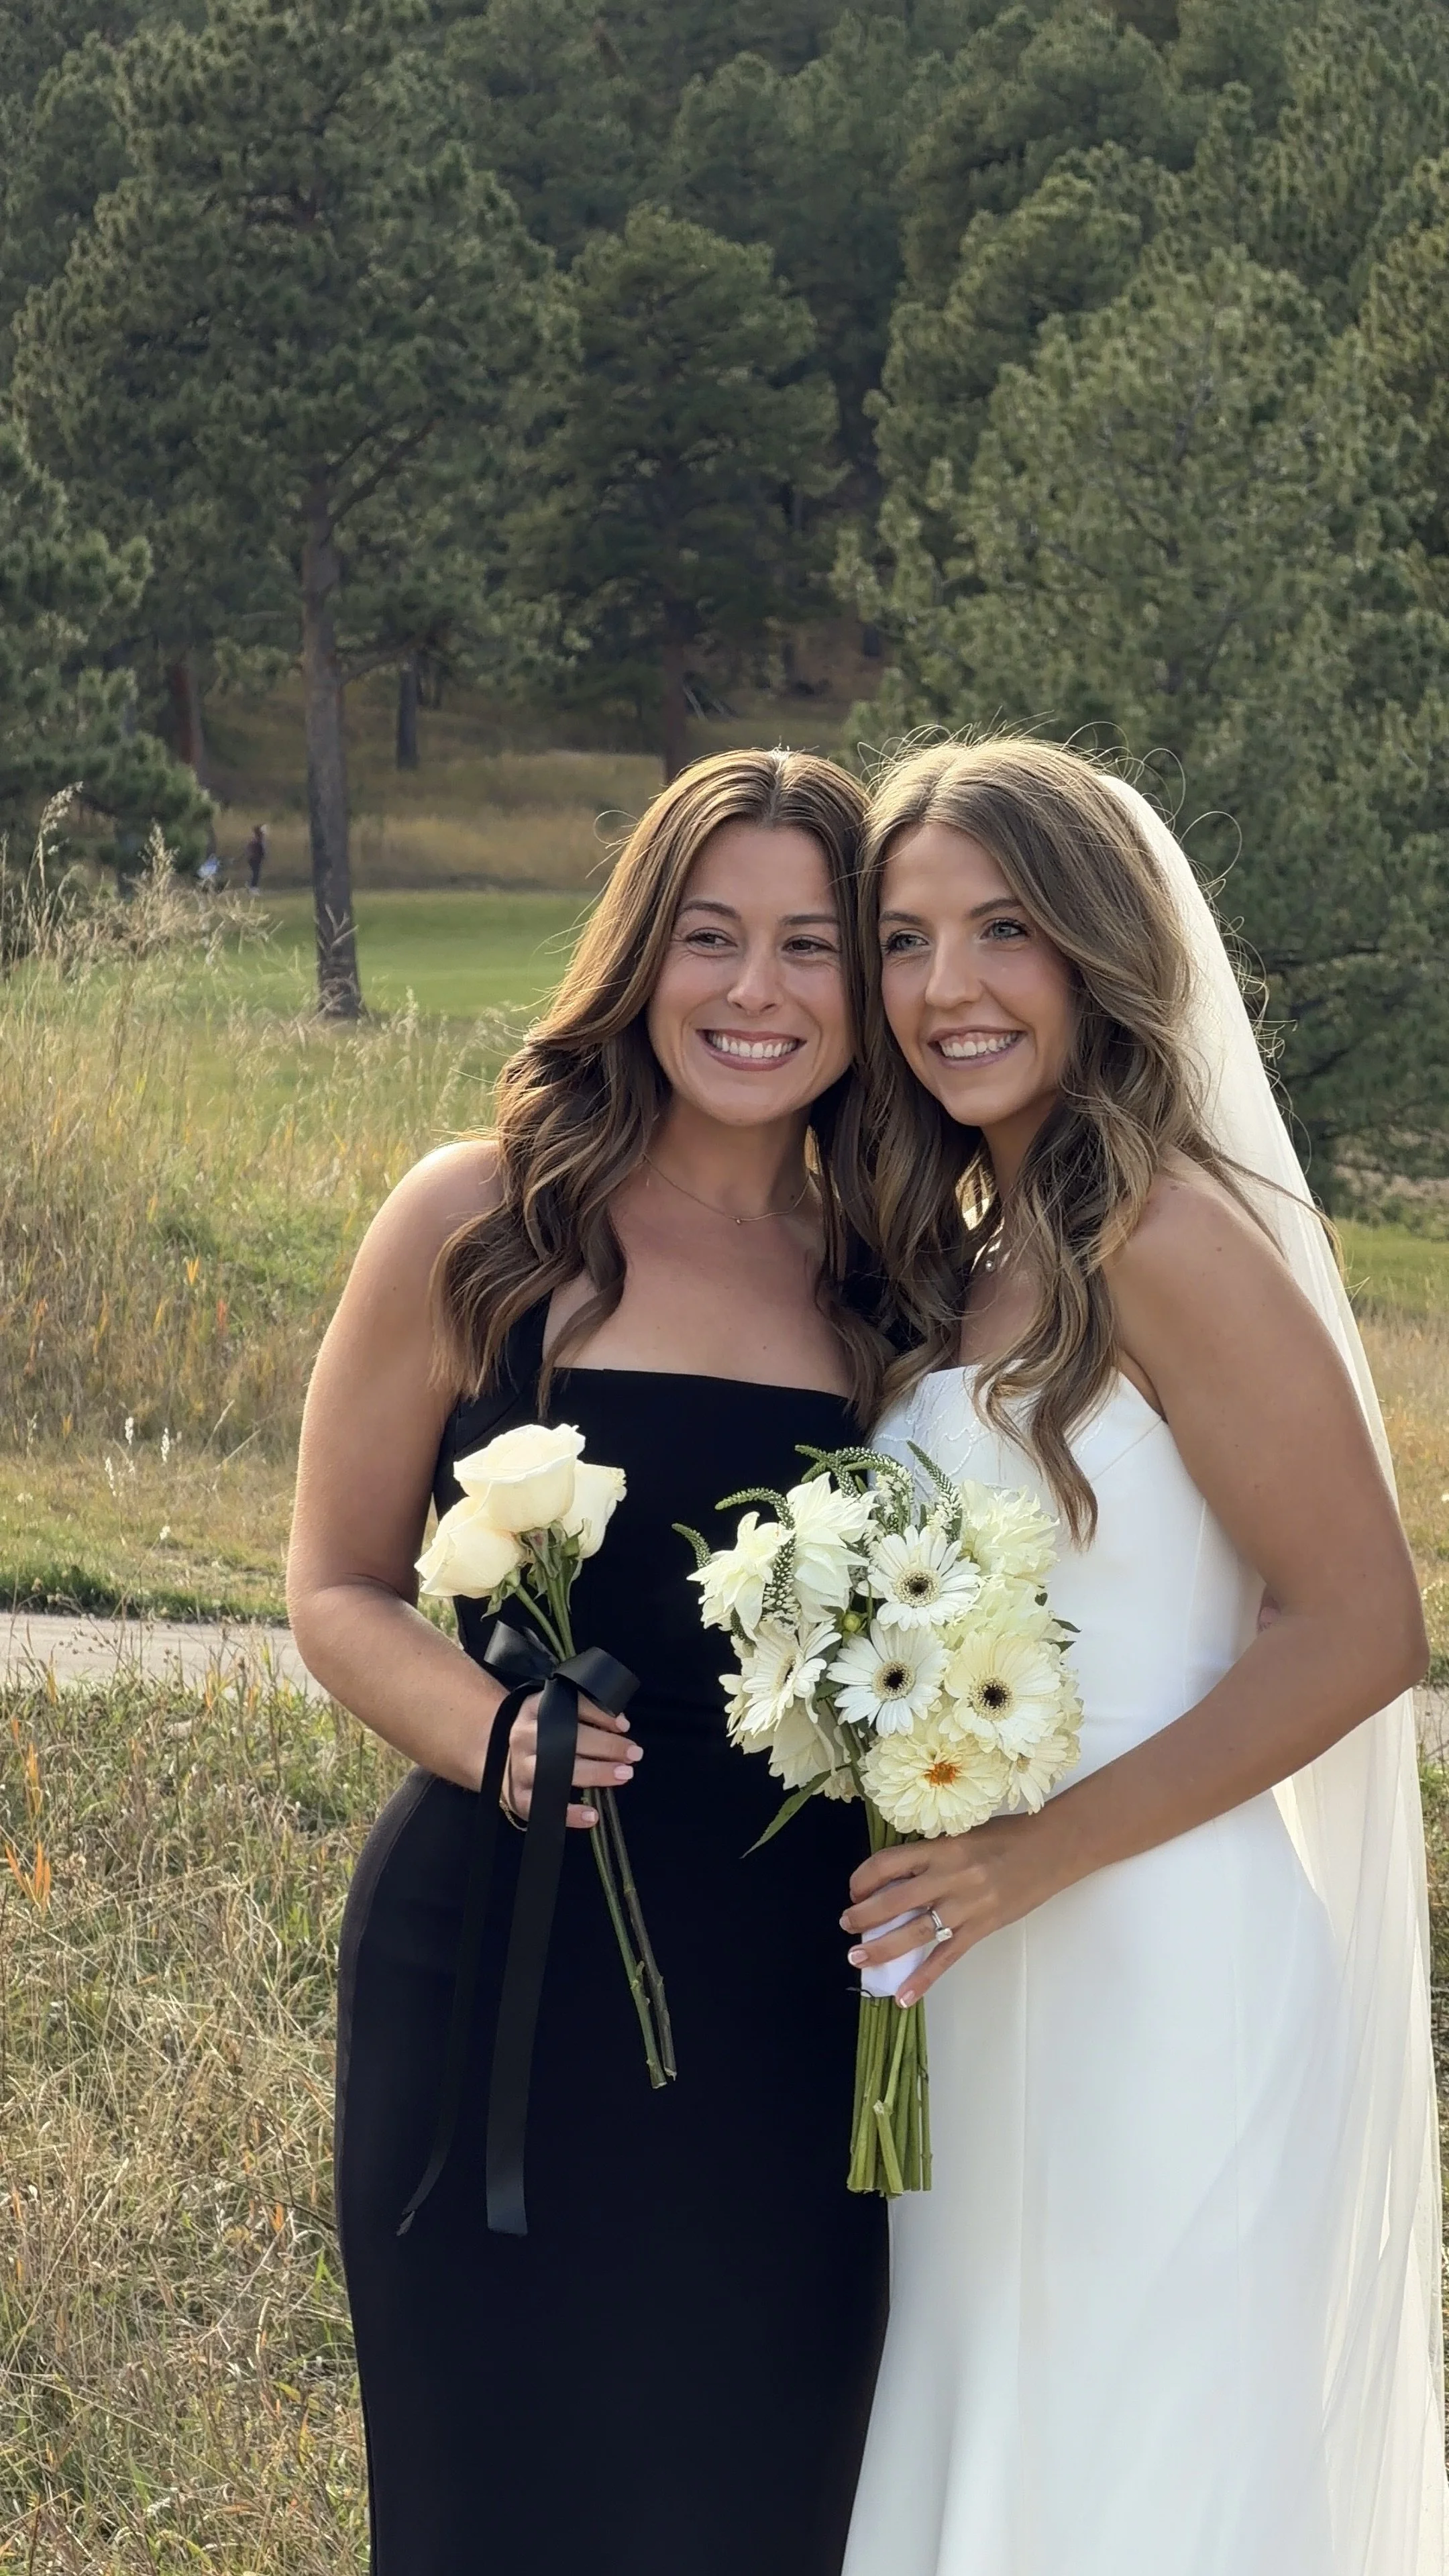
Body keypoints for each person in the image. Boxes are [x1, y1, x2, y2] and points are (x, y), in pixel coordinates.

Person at [833, 738, 1444, 2576]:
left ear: (1100, 949)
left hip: (1158, 1952)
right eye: (906, 938)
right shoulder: (964, 1252)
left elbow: (1362, 1626)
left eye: (1003, 930)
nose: (949, 990)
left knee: (1144, 2464)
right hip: (974, 1968)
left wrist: (1031, 1856)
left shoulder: (1165, 1230)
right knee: (1009, 2433)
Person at [287, 749, 890, 2576]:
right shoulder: (480, 1216)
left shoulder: (898, 1281)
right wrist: (491, 1734)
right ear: (641, 954)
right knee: (493, 2510)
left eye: (810, 944)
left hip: (794, 2006)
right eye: (712, 937)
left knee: (753, 2504)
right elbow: (334, 1583)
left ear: (872, 981)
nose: (756, 994)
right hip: (504, 1967)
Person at [244, 822, 268, 892]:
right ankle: (253, 888)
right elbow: (263, 850)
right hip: (255, 859)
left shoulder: (256, 839)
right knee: (256, 873)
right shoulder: (259, 840)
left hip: (253, 858)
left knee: (256, 873)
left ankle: (252, 886)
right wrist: (264, 855)